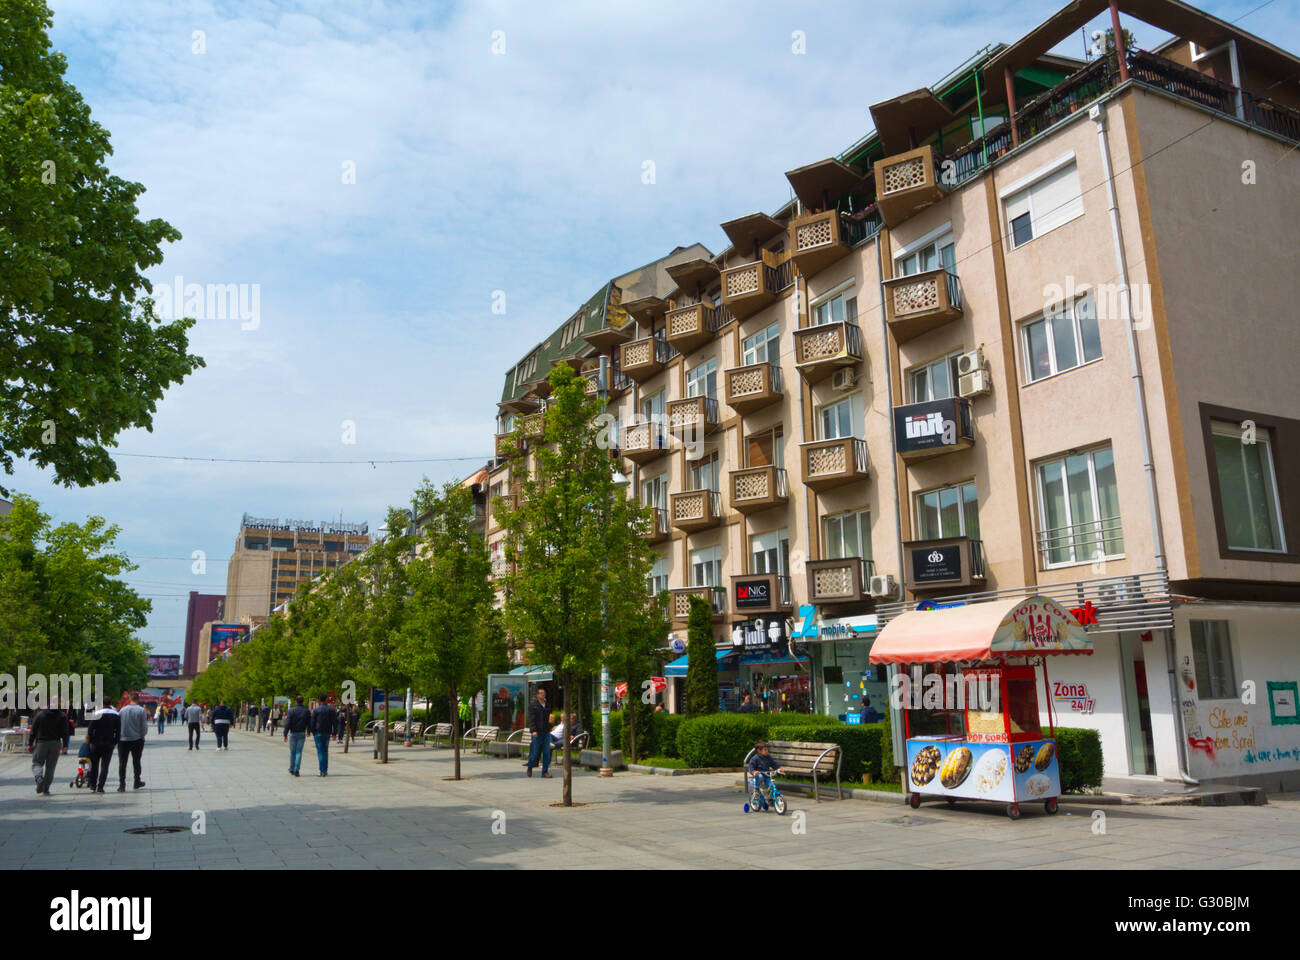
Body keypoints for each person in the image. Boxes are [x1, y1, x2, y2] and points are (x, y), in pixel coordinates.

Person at [29, 703, 68, 794]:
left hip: (42, 742)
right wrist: (65, 745)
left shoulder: (40, 715)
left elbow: (33, 730)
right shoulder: (62, 715)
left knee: (37, 763)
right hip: (56, 743)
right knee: (51, 767)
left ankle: (39, 778)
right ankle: (46, 789)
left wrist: (30, 744)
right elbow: (65, 732)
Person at [85, 698, 120, 794]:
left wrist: (90, 741)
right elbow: (118, 731)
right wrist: (114, 742)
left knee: (94, 765)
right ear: (111, 703)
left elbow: (90, 730)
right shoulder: (116, 715)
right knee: (105, 765)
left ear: (102, 703)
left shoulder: (96, 714)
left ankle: (92, 785)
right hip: (109, 743)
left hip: (96, 743)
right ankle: (100, 786)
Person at [116, 693, 149, 792]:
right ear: (138, 699)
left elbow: (119, 724)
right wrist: (142, 736)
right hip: (137, 740)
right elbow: (144, 726)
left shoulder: (122, 710)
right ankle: (137, 781)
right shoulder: (141, 710)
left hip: (123, 740)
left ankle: (122, 784)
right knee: (136, 761)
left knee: (122, 763)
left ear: (130, 699)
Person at [524, 687, 551, 778]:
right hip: (537, 732)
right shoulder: (533, 706)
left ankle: (545, 772)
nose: (543, 694)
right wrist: (533, 730)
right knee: (535, 752)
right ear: (537, 695)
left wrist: (551, 723)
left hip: (546, 732)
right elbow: (531, 719)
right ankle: (530, 766)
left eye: (544, 693)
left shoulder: (548, 705)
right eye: (541, 693)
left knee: (547, 752)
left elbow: (550, 716)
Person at [283, 695, 311, 776]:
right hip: (302, 733)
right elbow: (309, 722)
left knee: (292, 752)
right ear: (303, 701)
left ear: (296, 701)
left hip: (293, 733)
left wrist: (285, 734)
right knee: (299, 752)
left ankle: (292, 768)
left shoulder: (291, 711)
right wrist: (308, 732)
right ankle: (297, 769)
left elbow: (288, 723)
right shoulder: (306, 711)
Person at [309, 698, 338, 776]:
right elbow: (335, 722)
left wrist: (313, 732)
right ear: (326, 700)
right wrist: (334, 733)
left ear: (320, 701)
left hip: (318, 733)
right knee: (325, 751)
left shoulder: (316, 710)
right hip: (327, 733)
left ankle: (322, 771)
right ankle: (325, 770)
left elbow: (312, 722)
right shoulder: (331, 710)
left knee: (320, 752)